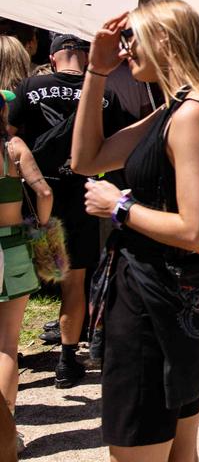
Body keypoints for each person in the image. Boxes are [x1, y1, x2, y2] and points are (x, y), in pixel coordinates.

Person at [71, 0, 199, 461]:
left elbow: (197, 230)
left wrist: (118, 205)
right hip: (171, 302)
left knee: (140, 452)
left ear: (164, 41)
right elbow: (86, 159)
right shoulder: (178, 107)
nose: (125, 50)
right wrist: (96, 72)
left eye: (132, 39)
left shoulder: (188, 115)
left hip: (156, 307)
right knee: (178, 453)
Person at [8, 33, 131, 389]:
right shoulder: (104, 94)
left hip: (34, 195)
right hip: (82, 192)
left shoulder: (31, 85)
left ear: (53, 55)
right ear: (85, 55)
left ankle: (9, 353)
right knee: (74, 281)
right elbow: (119, 144)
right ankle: (66, 361)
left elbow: (8, 134)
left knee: (24, 281)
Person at [0, 94, 52, 456]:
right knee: (7, 344)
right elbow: (44, 192)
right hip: (13, 246)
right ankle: (7, 434)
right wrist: (44, 226)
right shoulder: (13, 147)